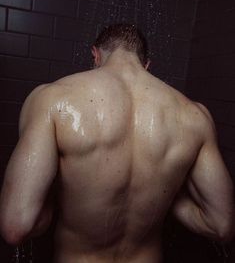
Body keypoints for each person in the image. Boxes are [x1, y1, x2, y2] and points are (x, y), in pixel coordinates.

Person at [0, 24, 234, 263]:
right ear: (146, 65)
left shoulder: (51, 99)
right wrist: (169, 196)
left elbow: (17, 225)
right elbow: (221, 225)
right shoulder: (195, 116)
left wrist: (56, 195)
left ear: (96, 55)